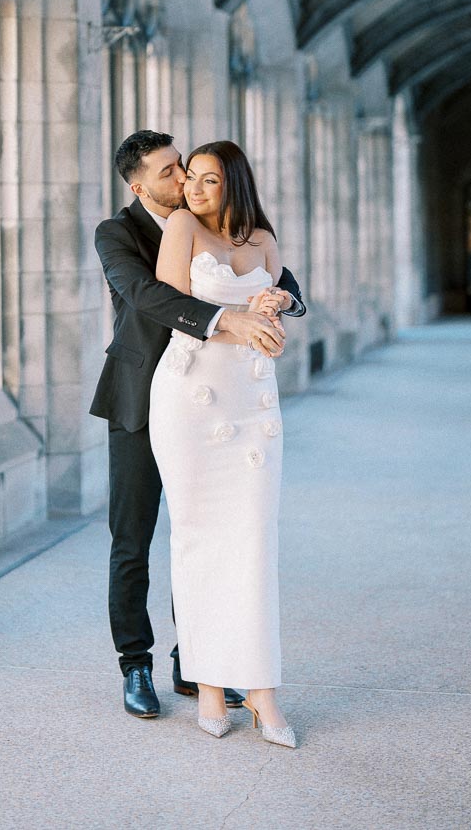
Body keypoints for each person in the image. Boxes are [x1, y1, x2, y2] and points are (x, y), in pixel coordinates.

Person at [93, 130, 305, 720]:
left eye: (184, 167)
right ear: (138, 186)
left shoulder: (218, 219)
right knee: (133, 538)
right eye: (168, 173)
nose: (182, 179)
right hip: (144, 394)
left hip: (220, 405)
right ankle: (135, 664)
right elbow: (145, 295)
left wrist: (282, 302)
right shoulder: (116, 233)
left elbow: (277, 276)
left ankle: (200, 662)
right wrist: (229, 320)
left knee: (213, 531)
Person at [150, 140, 296, 743]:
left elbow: (280, 297)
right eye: (192, 179)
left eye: (210, 180)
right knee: (198, 539)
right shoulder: (181, 226)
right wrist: (245, 327)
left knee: (255, 540)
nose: (194, 188)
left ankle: (262, 691)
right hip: (192, 397)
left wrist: (278, 303)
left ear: (234, 183)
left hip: (254, 403)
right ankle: (210, 684)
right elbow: (169, 302)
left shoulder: (261, 239)